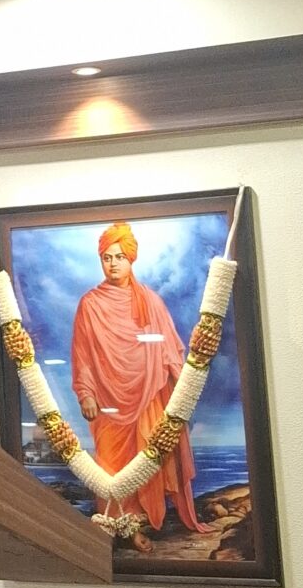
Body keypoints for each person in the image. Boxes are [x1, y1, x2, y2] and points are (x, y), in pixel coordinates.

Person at [69, 221, 204, 544]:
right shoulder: (90, 304)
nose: (113, 264)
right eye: (106, 258)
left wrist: (183, 390)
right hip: (107, 402)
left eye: (119, 257)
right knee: (110, 464)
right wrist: (86, 393)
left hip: (149, 394)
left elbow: (169, 351)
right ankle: (114, 527)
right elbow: (82, 354)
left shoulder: (151, 302)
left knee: (146, 457)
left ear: (131, 259)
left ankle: (140, 524)